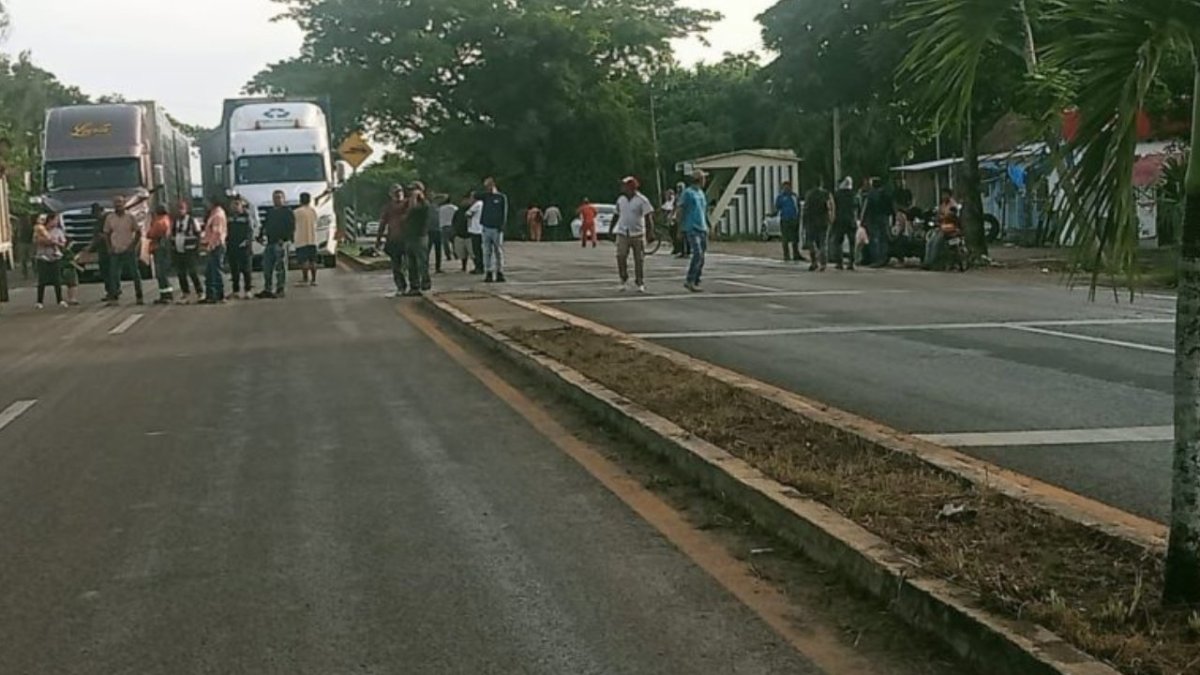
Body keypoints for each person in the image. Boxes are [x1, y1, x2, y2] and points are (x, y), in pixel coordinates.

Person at [614, 176, 654, 293]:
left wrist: (650, 232)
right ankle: (623, 278)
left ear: (631, 187)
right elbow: (616, 214)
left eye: (624, 185)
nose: (622, 187)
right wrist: (611, 229)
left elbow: (648, 216)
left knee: (639, 259)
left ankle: (639, 282)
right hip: (623, 232)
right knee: (621, 256)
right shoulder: (621, 199)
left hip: (637, 233)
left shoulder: (642, 200)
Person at [103, 195, 144, 306]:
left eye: (120, 202)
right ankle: (114, 297)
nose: (118, 205)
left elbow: (138, 232)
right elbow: (106, 234)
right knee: (114, 274)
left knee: (135, 274)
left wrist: (133, 246)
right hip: (115, 250)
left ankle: (139, 296)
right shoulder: (110, 218)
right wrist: (109, 247)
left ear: (124, 203)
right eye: (116, 202)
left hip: (128, 250)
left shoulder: (130, 217)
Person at [258, 190, 294, 299]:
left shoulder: (287, 212)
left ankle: (280, 289)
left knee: (281, 267)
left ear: (284, 199)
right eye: (275, 197)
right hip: (270, 242)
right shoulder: (270, 212)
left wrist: (285, 239)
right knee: (267, 267)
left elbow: (291, 227)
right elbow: (265, 225)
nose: (276, 200)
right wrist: (261, 235)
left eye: (279, 197)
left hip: (281, 242)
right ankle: (267, 289)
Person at [376, 184, 410, 297]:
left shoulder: (408, 204)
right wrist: (379, 239)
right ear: (391, 195)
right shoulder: (388, 208)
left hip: (407, 239)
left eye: (399, 191)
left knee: (410, 264)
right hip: (393, 240)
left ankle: (413, 286)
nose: (398, 194)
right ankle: (401, 287)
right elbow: (382, 224)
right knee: (397, 266)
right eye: (395, 193)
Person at [680, 169, 710, 292]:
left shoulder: (701, 193)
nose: (705, 181)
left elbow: (704, 210)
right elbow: (681, 209)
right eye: (704, 178)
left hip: (702, 227)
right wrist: (679, 227)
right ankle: (690, 280)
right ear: (699, 179)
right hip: (691, 227)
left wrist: (709, 224)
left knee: (702, 256)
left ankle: (696, 279)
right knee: (697, 253)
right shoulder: (688, 193)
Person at [170, 199, 203, 304]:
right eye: (178, 209)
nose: (180, 211)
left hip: (190, 251)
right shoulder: (175, 222)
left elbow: (198, 235)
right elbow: (172, 235)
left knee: (193, 272)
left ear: (186, 209)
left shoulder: (192, 221)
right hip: (179, 251)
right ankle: (185, 294)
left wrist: (197, 249)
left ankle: (200, 292)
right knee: (181, 273)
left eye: (182, 209)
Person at [33, 213, 67, 309]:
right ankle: (39, 301)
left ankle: (60, 299)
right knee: (42, 280)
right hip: (42, 257)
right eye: (55, 220)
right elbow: (37, 241)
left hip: (55, 257)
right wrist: (48, 241)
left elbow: (63, 243)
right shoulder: (40, 229)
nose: (56, 222)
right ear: (50, 220)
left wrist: (56, 243)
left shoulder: (58, 231)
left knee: (57, 280)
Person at [404, 181, 433, 294]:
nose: (411, 193)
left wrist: (416, 197)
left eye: (413, 190)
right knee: (411, 264)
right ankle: (414, 286)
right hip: (410, 236)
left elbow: (413, 209)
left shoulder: (424, 204)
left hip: (420, 236)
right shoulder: (411, 203)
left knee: (422, 263)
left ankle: (425, 284)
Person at [923, 189, 961, 270]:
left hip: (951, 227)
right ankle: (927, 262)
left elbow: (951, 215)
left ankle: (933, 262)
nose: (943, 196)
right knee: (930, 242)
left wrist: (942, 217)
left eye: (945, 194)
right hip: (942, 227)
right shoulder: (942, 204)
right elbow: (938, 214)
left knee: (936, 242)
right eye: (942, 194)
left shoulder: (952, 204)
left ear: (949, 195)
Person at [860, 178, 894, 268]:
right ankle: (883, 258)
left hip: (873, 219)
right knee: (884, 239)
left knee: (874, 239)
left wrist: (862, 220)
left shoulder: (871, 194)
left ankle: (875, 259)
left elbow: (866, 208)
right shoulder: (887, 193)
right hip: (885, 218)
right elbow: (892, 207)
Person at [480, 177, 508, 283]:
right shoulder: (486, 197)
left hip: (496, 228)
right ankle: (488, 272)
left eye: (489, 186)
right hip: (486, 227)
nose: (487, 188)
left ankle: (500, 271)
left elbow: (504, 212)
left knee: (498, 251)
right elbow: (475, 194)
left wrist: (502, 226)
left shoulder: (501, 197)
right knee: (487, 251)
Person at [829, 177, 860, 270]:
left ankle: (839, 262)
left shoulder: (837, 195)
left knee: (838, 242)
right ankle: (852, 262)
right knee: (852, 243)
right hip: (851, 220)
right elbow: (858, 207)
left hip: (839, 221)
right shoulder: (854, 194)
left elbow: (833, 206)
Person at [803, 179, 834, 271]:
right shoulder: (826, 194)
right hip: (823, 222)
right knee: (822, 243)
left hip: (811, 222)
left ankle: (814, 262)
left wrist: (804, 222)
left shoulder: (809, 194)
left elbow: (806, 209)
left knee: (811, 243)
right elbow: (830, 206)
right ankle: (823, 263)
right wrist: (830, 218)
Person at [201, 197, 228, 304]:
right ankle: (211, 294)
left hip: (216, 246)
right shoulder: (214, 213)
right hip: (213, 245)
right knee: (210, 271)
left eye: (206, 202)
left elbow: (216, 233)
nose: (205, 204)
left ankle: (219, 295)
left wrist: (210, 246)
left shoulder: (217, 215)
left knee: (215, 271)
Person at [227, 198, 254, 299]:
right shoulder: (229, 217)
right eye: (233, 204)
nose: (235, 206)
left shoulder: (247, 216)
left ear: (241, 205)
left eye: (237, 204)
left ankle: (248, 290)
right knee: (234, 270)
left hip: (244, 246)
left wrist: (247, 241)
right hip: (232, 246)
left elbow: (250, 231)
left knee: (246, 269)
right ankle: (236, 291)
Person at [147, 205, 174, 304]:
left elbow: (150, 234)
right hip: (163, 248)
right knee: (162, 273)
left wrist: (151, 226)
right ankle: (166, 294)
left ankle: (166, 295)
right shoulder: (167, 219)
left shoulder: (159, 221)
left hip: (159, 249)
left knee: (160, 273)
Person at [294, 192, 320, 286]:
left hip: (301, 239)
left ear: (300, 200)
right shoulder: (313, 211)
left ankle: (305, 279)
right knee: (313, 261)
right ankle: (314, 280)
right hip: (312, 239)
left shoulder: (296, 212)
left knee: (304, 261)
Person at [774, 182, 802, 262]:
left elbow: (798, 207)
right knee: (785, 238)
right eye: (785, 187)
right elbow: (777, 207)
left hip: (794, 219)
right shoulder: (780, 197)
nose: (786, 189)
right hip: (785, 219)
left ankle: (796, 254)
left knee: (795, 238)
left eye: (788, 187)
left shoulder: (794, 196)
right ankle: (786, 255)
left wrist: (798, 217)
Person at [422, 184, 441, 280]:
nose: (432, 196)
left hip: (438, 229)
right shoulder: (425, 204)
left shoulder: (436, 204)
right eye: (430, 194)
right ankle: (425, 267)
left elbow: (445, 196)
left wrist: (437, 196)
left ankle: (438, 267)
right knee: (427, 250)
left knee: (438, 251)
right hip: (429, 230)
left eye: (433, 194)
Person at [452, 191, 473, 272]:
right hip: (460, 234)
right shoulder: (458, 211)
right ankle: (463, 266)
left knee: (472, 252)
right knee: (461, 253)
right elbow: (454, 221)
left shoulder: (472, 210)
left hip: (469, 234)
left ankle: (478, 266)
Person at [465, 191, 484, 275]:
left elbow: (468, 214)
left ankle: (479, 267)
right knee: (479, 250)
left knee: (476, 250)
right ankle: (480, 266)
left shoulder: (477, 204)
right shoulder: (483, 204)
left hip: (476, 229)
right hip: (480, 229)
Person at [438, 195, 458, 263]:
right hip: (453, 226)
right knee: (454, 242)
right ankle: (456, 254)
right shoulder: (455, 208)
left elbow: (439, 217)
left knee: (445, 243)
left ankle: (448, 255)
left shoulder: (441, 208)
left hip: (444, 226)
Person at [14, 214, 33, 279]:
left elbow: (16, 234)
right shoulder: (28, 223)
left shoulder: (21, 224)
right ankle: (26, 273)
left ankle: (26, 274)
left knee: (25, 259)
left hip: (25, 242)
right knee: (26, 259)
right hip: (25, 242)